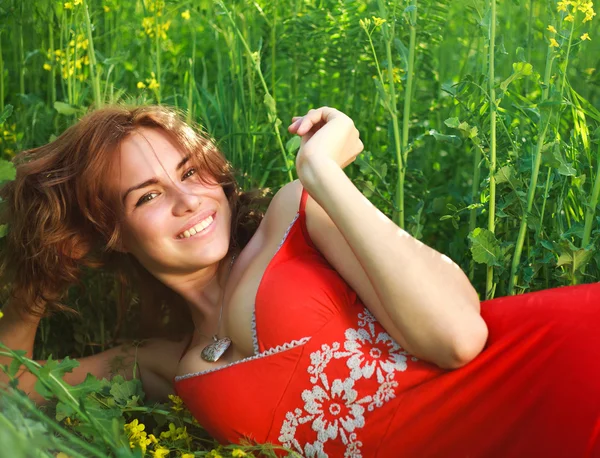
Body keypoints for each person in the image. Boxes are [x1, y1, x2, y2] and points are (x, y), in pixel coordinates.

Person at [0, 105, 598, 458]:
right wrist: (32, 296)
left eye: (190, 172)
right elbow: (14, 398)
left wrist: (321, 173)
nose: (189, 201)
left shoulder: (294, 217)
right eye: (149, 196)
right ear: (113, 235)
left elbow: (456, 336)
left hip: (557, 374)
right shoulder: (162, 363)